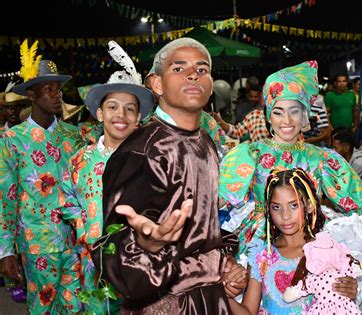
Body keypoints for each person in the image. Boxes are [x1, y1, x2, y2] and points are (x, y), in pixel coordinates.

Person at [90, 38, 247, 314]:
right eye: (179, 68)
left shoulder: (205, 142)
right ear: (157, 84)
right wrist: (147, 244)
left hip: (207, 299)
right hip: (165, 305)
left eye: (202, 69)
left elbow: (201, 231)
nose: (193, 75)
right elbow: (113, 249)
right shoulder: (144, 152)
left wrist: (225, 264)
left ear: (211, 86)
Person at [218, 61, 362, 256]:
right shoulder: (251, 154)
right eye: (278, 112)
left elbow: (360, 207)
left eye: (294, 112)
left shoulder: (321, 158)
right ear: (268, 116)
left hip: (312, 240)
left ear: (304, 115)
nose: (287, 121)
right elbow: (219, 199)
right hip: (262, 241)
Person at [60, 40, 155, 314]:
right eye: (113, 107)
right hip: (92, 264)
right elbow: (67, 201)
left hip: (140, 262)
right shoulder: (81, 160)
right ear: (100, 114)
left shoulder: (149, 161)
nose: (121, 115)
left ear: (138, 117)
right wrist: (86, 231)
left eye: (130, 108)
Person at [0, 41, 85, 314]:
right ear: (32, 95)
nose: (57, 95)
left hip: (74, 241)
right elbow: (5, 196)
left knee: (75, 306)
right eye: (48, 89)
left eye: (58, 89)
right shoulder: (13, 140)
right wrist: (5, 250)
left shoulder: (74, 136)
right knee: (43, 308)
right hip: (36, 242)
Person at [228, 169, 358, 314]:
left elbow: (341, 298)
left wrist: (348, 290)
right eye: (276, 207)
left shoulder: (328, 251)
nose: (285, 216)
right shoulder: (261, 256)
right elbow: (248, 312)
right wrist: (221, 294)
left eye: (294, 205)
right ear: (268, 210)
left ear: (309, 205)